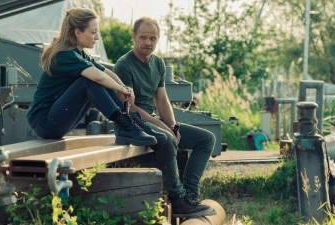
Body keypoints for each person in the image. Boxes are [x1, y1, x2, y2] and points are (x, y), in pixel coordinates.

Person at [113, 17, 217, 218]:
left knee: (206, 139)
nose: (148, 42)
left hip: (150, 120)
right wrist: (165, 128)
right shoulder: (124, 65)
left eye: (153, 38)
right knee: (167, 138)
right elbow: (131, 107)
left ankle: (190, 195)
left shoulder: (158, 63)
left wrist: (174, 126)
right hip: (130, 122)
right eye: (143, 37)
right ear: (133, 37)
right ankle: (177, 199)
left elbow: (161, 99)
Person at [27, 8, 166, 146]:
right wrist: (120, 89)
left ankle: (134, 123)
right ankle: (126, 126)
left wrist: (123, 87)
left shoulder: (80, 54)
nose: (97, 37)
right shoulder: (65, 54)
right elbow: (98, 77)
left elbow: (106, 73)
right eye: (93, 32)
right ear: (77, 32)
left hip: (55, 122)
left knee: (99, 80)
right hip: (44, 123)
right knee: (88, 81)